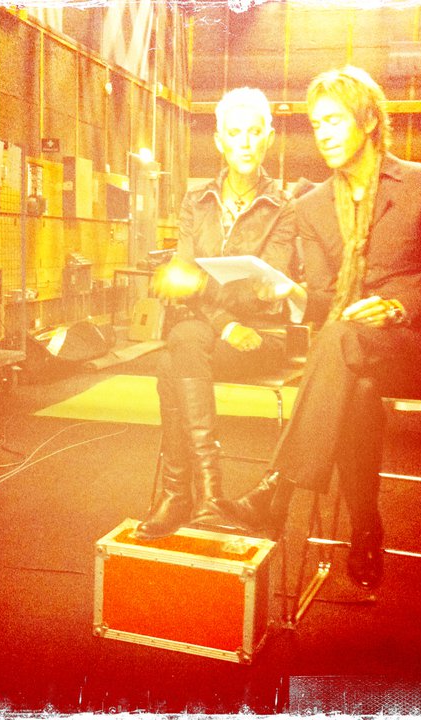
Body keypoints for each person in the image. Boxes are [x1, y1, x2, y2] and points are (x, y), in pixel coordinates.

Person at [205, 66, 421, 589]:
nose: (322, 133)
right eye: (316, 123)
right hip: (351, 354)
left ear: (368, 120)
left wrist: (395, 307)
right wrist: (292, 294)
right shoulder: (311, 207)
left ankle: (276, 491)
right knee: (357, 385)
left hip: (416, 347)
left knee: (342, 340)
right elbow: (327, 304)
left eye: (333, 121)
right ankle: (366, 527)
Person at [134, 87, 302, 540]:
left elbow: (264, 289)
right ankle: (207, 494)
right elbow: (186, 281)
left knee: (173, 357)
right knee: (183, 344)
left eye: (254, 132)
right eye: (235, 132)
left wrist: (203, 288)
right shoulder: (196, 202)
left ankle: (179, 493)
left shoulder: (285, 206)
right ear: (219, 141)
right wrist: (225, 322)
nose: (245, 142)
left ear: (268, 138)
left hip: (262, 335)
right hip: (211, 333)